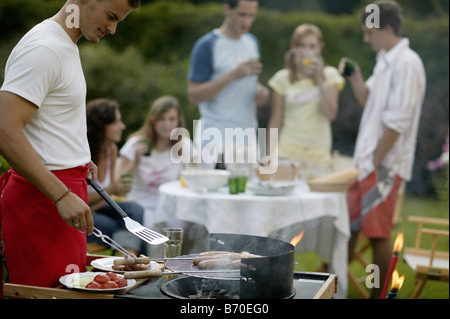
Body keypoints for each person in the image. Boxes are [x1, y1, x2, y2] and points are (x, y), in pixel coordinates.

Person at [0, 0, 140, 288]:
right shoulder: (44, 48)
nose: (113, 29)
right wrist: (62, 195)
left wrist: (75, 157)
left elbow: (46, 123)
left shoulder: (65, 45)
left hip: (63, 194)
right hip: (42, 202)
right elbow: (4, 128)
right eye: (111, 16)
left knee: (70, 292)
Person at [340, 1, 426, 298]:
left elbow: (397, 122)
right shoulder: (385, 60)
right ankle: (329, 287)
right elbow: (368, 99)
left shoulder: (407, 63)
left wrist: (376, 162)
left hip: (384, 165)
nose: (366, 38)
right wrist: (355, 77)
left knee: (377, 234)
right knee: (349, 226)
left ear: (386, 27)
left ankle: (378, 296)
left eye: (368, 32)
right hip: (367, 164)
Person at [187, 0, 270, 167]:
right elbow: (193, 95)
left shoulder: (252, 42)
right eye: (242, 14)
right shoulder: (208, 45)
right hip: (216, 137)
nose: (246, 21)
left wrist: (260, 92)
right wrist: (232, 75)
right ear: (227, 9)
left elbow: (251, 81)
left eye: (251, 15)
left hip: (247, 136)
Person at [267, 24, 345, 177]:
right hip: (287, 150)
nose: (307, 51)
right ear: (294, 48)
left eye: (312, 46)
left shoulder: (330, 76)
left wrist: (319, 79)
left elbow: (331, 114)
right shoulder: (282, 78)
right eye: (302, 46)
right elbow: (275, 120)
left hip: (318, 153)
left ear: (319, 49)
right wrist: (268, 156)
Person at [118, 96, 191, 230]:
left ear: (178, 122)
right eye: (161, 119)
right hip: (141, 205)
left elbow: (193, 176)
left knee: (185, 226)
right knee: (153, 229)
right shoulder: (136, 144)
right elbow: (119, 182)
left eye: (171, 119)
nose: (166, 124)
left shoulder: (183, 145)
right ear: (153, 120)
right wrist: (135, 162)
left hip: (171, 206)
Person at [86, 98, 144, 256]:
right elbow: (79, 200)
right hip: (82, 215)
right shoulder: (84, 153)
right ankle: (126, 262)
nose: (122, 126)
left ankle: (125, 261)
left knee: (135, 209)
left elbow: (107, 196)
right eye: (117, 122)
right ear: (102, 125)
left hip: (98, 209)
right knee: (132, 231)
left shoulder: (110, 150)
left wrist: (112, 191)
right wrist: (112, 190)